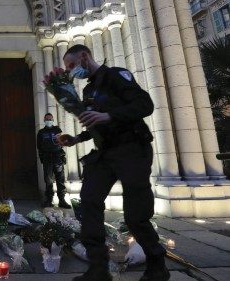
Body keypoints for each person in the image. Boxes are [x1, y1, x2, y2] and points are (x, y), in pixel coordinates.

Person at [57, 44, 169, 281]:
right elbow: (96, 124)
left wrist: (109, 115)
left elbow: (144, 105)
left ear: (84, 57)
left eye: (71, 65)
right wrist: (77, 138)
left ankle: (157, 265)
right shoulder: (88, 90)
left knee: (135, 215)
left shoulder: (116, 76)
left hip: (131, 150)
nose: (70, 71)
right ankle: (98, 268)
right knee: (88, 202)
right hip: (105, 154)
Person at [36, 113, 71, 209]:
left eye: (50, 119)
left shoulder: (57, 130)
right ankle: (49, 200)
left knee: (60, 179)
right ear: (44, 120)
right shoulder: (41, 132)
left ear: (53, 120)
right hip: (47, 158)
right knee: (48, 180)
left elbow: (62, 142)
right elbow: (39, 146)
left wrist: (62, 155)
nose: (48, 121)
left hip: (57, 157)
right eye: (47, 119)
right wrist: (42, 158)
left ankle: (62, 200)